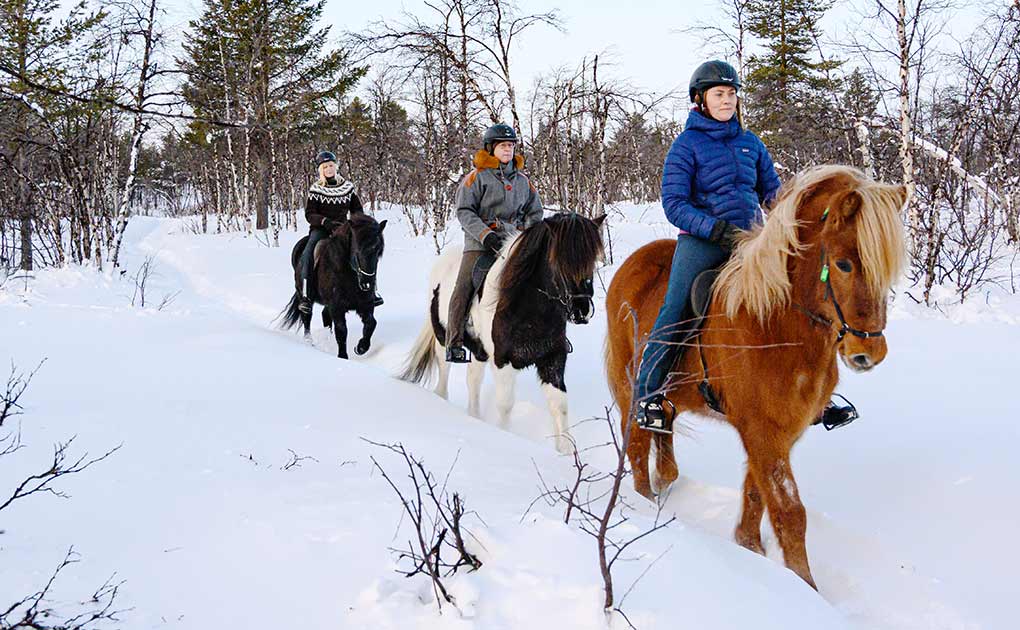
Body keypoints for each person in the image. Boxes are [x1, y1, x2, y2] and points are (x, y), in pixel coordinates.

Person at [635, 60, 857, 433]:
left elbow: (772, 193)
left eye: (732, 94)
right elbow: (674, 203)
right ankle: (647, 395)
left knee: (798, 296)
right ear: (700, 100)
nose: (727, 101)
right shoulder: (686, 145)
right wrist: (712, 228)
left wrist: (791, 219)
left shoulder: (750, 143)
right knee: (676, 308)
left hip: (752, 239)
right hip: (703, 241)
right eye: (719, 94)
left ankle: (818, 394)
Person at [445, 123, 544, 363]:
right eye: (503, 145)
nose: (508, 149)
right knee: (463, 286)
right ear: (491, 148)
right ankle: (454, 342)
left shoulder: (523, 181)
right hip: (481, 242)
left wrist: (526, 234)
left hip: (514, 240)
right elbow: (465, 211)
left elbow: (536, 212)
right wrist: (484, 235)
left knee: (543, 276)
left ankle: (547, 333)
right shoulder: (476, 178)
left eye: (511, 145)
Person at [298, 151, 382, 314]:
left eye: (331, 165)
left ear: (335, 167)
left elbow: (356, 209)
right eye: (325, 167)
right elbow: (310, 214)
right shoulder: (316, 189)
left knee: (366, 252)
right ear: (321, 170)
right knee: (309, 252)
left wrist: (358, 222)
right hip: (321, 230)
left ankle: (372, 291)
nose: (329, 169)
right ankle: (306, 296)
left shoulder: (347, 187)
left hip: (343, 230)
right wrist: (325, 222)